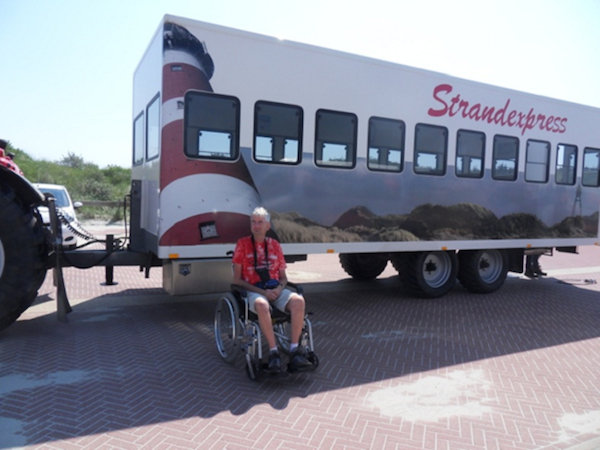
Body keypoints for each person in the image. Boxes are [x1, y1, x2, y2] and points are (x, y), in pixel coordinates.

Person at [232, 207, 311, 374]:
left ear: (268, 226)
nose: (256, 225)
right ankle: (274, 352)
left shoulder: (274, 245)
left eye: (260, 222)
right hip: (255, 291)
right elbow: (236, 280)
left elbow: (283, 277)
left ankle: (295, 350)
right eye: (253, 222)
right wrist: (262, 293)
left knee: (298, 301)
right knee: (261, 305)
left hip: (276, 289)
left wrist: (279, 288)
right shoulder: (242, 245)